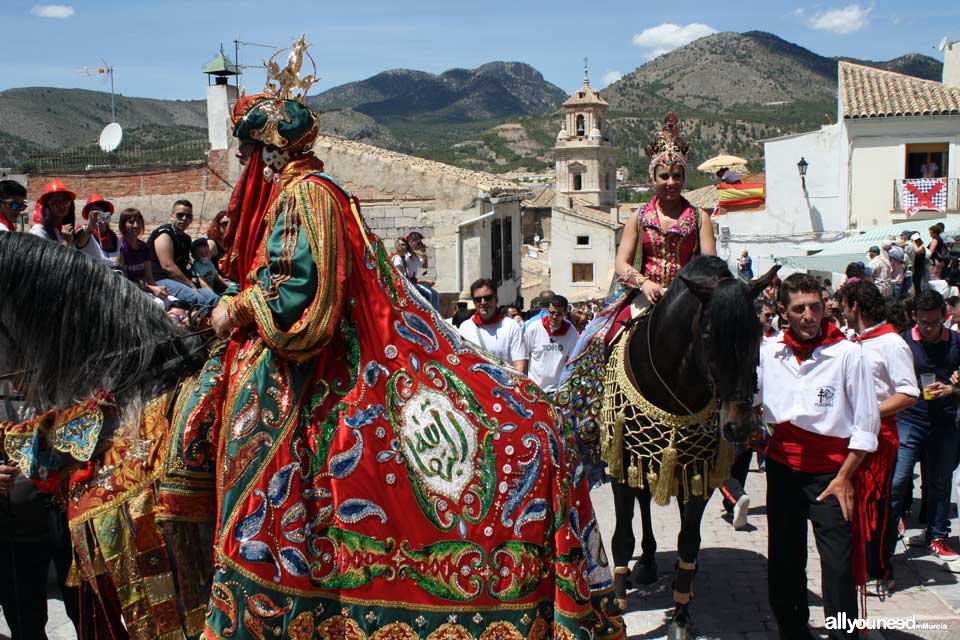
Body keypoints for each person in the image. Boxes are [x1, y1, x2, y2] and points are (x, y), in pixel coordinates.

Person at [197, 39, 622, 638]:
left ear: (266, 152)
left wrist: (233, 310)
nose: (244, 164)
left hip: (310, 356)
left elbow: (301, 305)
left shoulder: (303, 196)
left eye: (247, 151)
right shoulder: (321, 192)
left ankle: (273, 558)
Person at [757, 272, 879, 640]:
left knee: (839, 566)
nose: (809, 316)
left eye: (815, 307)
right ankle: (793, 633)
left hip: (831, 474)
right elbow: (752, 402)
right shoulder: (768, 351)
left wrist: (844, 478)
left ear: (826, 306)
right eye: (799, 309)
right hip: (782, 470)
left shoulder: (848, 353)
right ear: (783, 312)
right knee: (784, 561)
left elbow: (866, 424)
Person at [841, 280, 919, 597]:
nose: (841, 311)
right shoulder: (853, 341)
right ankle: (853, 567)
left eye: (843, 305)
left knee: (876, 507)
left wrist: (870, 411)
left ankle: (878, 570)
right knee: (852, 505)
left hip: (880, 439)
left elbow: (909, 393)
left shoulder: (892, 344)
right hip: (851, 437)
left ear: (854, 306)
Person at [887, 290, 960, 565]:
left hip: (944, 421)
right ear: (914, 316)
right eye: (923, 322)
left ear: (945, 317)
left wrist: (953, 386)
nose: (928, 328)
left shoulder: (955, 342)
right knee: (898, 480)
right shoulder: (904, 341)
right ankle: (888, 536)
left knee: (940, 482)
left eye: (934, 323)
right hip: (909, 419)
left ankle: (937, 536)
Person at [147, 200, 218, 307]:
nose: (184, 218)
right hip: (161, 280)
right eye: (180, 215)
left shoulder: (186, 239)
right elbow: (168, 267)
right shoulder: (164, 234)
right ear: (172, 216)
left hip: (181, 281)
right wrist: (191, 286)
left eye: (188, 216)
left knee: (215, 299)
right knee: (198, 300)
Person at [457, 278, 528, 373]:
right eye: (478, 299)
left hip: (505, 386)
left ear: (496, 299)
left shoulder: (511, 327)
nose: (483, 302)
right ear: (474, 302)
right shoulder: (465, 328)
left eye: (488, 298)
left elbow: (520, 366)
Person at [29, 179, 109, 263]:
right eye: (55, 203)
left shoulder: (68, 231)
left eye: (66, 202)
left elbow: (81, 243)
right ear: (47, 206)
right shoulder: (38, 232)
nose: (61, 206)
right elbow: (46, 263)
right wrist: (66, 242)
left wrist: (90, 227)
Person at [523, 294, 580, 395]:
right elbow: (523, 356)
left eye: (558, 314)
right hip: (534, 389)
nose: (554, 317)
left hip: (558, 391)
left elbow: (574, 361)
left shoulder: (571, 332)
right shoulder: (534, 328)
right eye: (551, 313)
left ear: (565, 313)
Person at [118, 207, 169, 303]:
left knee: (171, 302)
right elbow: (124, 280)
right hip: (129, 292)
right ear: (123, 225)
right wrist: (152, 289)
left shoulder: (144, 247)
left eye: (138, 222)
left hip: (145, 288)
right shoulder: (119, 247)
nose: (136, 226)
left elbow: (149, 277)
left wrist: (158, 289)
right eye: (131, 222)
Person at [404, 230, 440, 310]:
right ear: (411, 242)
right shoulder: (406, 256)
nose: (420, 244)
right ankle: (434, 317)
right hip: (407, 285)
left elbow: (424, 265)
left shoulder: (414, 256)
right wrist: (423, 282)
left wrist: (423, 251)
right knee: (432, 294)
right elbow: (405, 278)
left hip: (412, 283)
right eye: (418, 243)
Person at [912, 232, 927, 297]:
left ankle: (921, 297)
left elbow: (917, 251)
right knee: (916, 284)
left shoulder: (922, 246)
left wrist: (913, 243)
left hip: (920, 268)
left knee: (920, 284)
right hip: (916, 268)